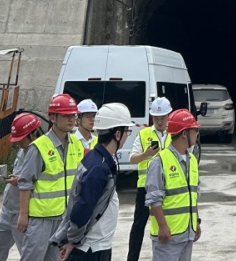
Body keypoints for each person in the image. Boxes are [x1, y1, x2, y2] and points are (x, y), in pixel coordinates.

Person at [52, 103, 136, 260]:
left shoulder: (99, 159)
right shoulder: (98, 166)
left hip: (96, 245)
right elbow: (82, 208)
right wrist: (72, 241)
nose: (127, 136)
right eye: (127, 131)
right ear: (117, 134)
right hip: (91, 248)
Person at [16, 94, 84, 261]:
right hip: (41, 218)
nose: (71, 119)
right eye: (65, 115)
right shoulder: (39, 147)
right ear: (52, 118)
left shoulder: (76, 144)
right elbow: (25, 182)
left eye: (73, 115)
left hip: (64, 218)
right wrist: (23, 215)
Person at [146, 108, 201, 261]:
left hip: (186, 233)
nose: (197, 134)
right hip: (168, 237)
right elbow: (154, 199)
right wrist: (162, 226)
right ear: (184, 133)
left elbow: (193, 195)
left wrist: (196, 221)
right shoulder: (160, 161)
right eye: (194, 130)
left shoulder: (192, 160)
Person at [0, 112, 42, 261]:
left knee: (27, 253)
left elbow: (45, 181)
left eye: (21, 139)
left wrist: (24, 214)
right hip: (8, 209)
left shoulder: (42, 152)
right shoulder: (23, 149)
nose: (18, 143)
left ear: (33, 134)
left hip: (23, 213)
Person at [127, 97, 173, 261]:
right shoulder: (143, 134)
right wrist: (146, 154)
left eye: (163, 117)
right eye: (156, 118)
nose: (160, 121)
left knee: (168, 223)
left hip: (168, 187)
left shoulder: (173, 134)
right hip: (145, 188)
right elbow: (132, 159)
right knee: (139, 225)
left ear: (168, 116)